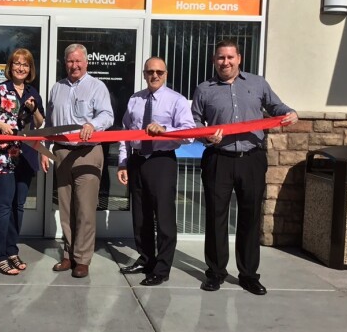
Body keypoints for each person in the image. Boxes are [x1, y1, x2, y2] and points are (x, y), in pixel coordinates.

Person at [191, 39, 298, 295]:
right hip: (219, 158)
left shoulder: (258, 83)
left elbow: (276, 107)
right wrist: (206, 136)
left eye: (229, 57)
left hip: (251, 159)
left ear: (239, 58)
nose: (225, 62)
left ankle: (248, 275)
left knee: (250, 218)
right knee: (216, 218)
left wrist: (290, 112)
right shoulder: (204, 89)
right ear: (214, 60)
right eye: (220, 58)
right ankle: (216, 272)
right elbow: (194, 121)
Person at [117, 57, 195, 286]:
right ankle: (145, 259)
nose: (155, 75)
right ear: (144, 74)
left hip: (162, 161)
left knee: (164, 218)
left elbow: (189, 133)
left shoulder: (176, 101)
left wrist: (165, 130)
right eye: (150, 71)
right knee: (140, 216)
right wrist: (123, 162)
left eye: (159, 72)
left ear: (166, 74)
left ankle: (162, 268)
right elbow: (125, 133)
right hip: (137, 161)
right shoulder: (135, 100)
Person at [41, 43, 114, 278]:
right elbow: (51, 122)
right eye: (70, 61)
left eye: (78, 61)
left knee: (85, 208)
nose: (74, 65)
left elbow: (108, 115)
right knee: (65, 207)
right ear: (66, 63)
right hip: (62, 152)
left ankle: (82, 258)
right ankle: (68, 254)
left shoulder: (97, 86)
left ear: (86, 62)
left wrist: (93, 125)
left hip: (88, 152)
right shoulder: (57, 88)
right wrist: (45, 148)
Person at [0, 49, 45, 275]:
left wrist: (33, 108)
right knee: (3, 206)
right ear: (10, 66)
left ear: (30, 69)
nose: (20, 68)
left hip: (25, 156)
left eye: (25, 65)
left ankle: (11, 249)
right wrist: (0, 126)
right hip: (2, 156)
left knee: (18, 206)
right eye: (17, 64)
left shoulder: (32, 92)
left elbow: (40, 122)